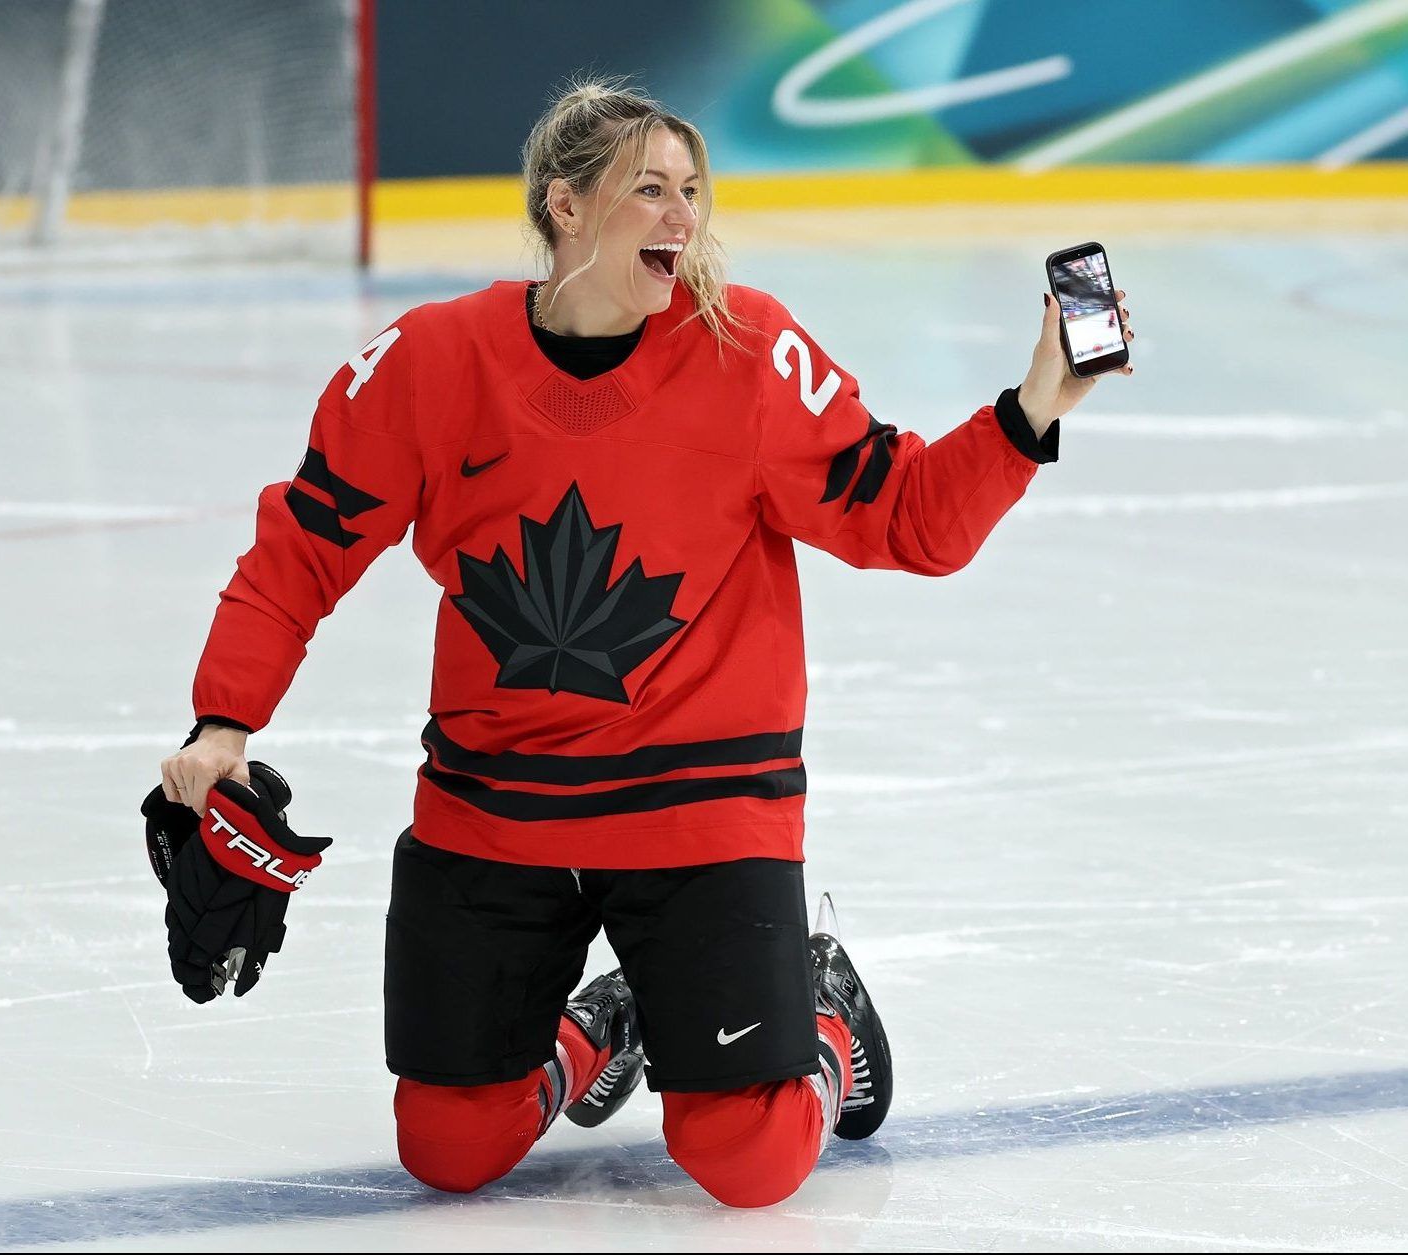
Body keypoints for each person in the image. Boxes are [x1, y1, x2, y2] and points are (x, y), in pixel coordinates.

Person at [155, 80, 1133, 1209]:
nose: (681, 216)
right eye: (647, 191)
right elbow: (305, 543)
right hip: (496, 808)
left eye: (692, 191)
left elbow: (906, 514)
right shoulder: (428, 361)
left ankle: (818, 1005)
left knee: (748, 1163)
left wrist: (1030, 411)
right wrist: (224, 719)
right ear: (563, 207)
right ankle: (593, 1030)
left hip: (703, 812)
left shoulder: (749, 351)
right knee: (446, 1146)